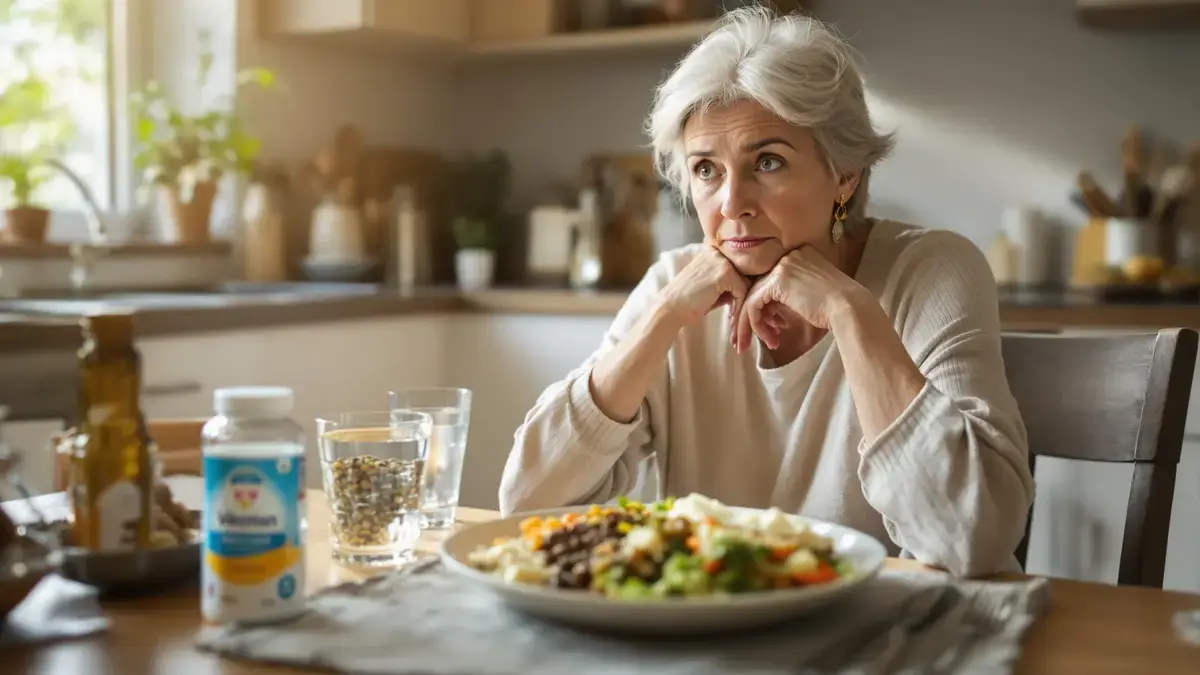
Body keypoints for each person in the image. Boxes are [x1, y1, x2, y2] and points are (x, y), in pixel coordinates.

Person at [498, 6, 1034, 577]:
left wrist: (850, 312)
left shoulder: (932, 270)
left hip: (882, 639)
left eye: (768, 161)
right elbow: (528, 505)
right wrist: (663, 320)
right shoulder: (674, 285)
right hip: (711, 639)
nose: (731, 203)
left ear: (845, 175)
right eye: (706, 170)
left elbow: (972, 538)